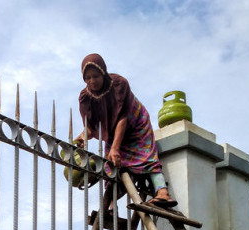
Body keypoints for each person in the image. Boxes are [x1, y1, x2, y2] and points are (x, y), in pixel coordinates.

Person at [75, 53, 176, 208]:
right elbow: (90, 127)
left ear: (103, 72)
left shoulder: (119, 84)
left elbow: (123, 117)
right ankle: (110, 206)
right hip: (113, 131)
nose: (92, 81)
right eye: (87, 78)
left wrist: (115, 147)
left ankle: (162, 192)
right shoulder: (85, 98)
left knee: (147, 157)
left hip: (136, 125)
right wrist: (82, 137)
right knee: (111, 165)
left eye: (95, 76)